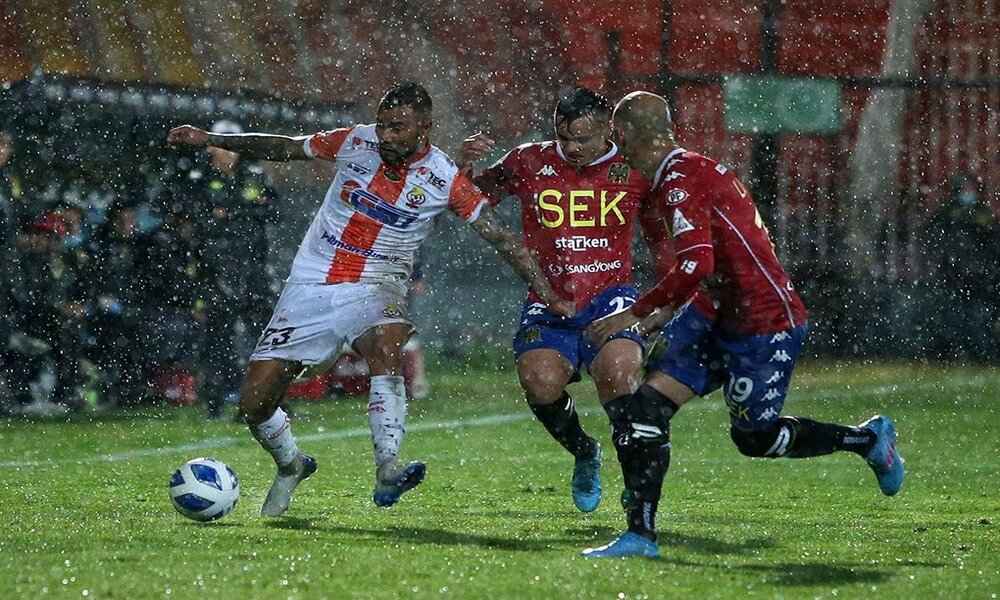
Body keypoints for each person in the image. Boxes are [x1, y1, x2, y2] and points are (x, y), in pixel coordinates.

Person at [166, 82, 571, 517]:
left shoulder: (444, 179)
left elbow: (504, 239)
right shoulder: (354, 140)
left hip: (378, 284)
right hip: (311, 285)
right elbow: (284, 147)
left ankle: (387, 467)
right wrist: (212, 139)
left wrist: (549, 295)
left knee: (387, 343)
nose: (387, 136)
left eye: (398, 127)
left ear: (424, 126)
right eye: (383, 125)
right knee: (255, 404)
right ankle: (291, 465)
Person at [581, 91, 906, 558]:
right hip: (713, 313)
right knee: (644, 412)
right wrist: (664, 313)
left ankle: (868, 439)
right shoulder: (692, 170)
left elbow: (696, 262)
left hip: (762, 322)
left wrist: (633, 313)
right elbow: (711, 266)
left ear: (624, 134)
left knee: (756, 439)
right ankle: (640, 535)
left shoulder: (680, 178)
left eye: (618, 137)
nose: (620, 149)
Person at [456, 87, 650, 512]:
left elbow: (667, 222)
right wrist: (462, 164)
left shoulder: (634, 166)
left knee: (618, 377)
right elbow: (469, 197)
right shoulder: (527, 160)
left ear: (608, 130)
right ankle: (584, 450)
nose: (572, 148)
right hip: (550, 298)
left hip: (611, 295)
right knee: (540, 383)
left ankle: (636, 475)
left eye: (583, 139)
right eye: (564, 138)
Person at [924, 172, 1000, 362]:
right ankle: (950, 352)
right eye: (965, 189)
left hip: (978, 275)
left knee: (977, 314)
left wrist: (985, 265)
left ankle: (979, 352)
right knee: (950, 314)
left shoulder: (983, 213)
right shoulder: (946, 212)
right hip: (952, 273)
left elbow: (993, 242)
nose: (968, 192)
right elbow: (932, 238)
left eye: (971, 189)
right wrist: (948, 258)